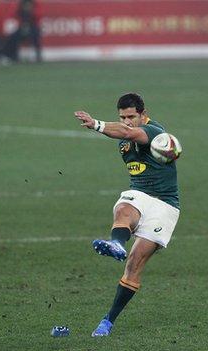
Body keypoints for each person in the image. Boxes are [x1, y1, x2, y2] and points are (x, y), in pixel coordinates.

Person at [73, 93, 180, 337]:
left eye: (132, 116)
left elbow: (131, 133)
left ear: (143, 114)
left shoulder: (154, 131)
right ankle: (117, 243)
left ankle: (108, 320)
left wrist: (96, 124)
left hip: (165, 205)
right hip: (140, 194)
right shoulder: (123, 139)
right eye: (123, 117)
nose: (128, 121)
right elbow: (125, 134)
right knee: (124, 208)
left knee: (134, 264)